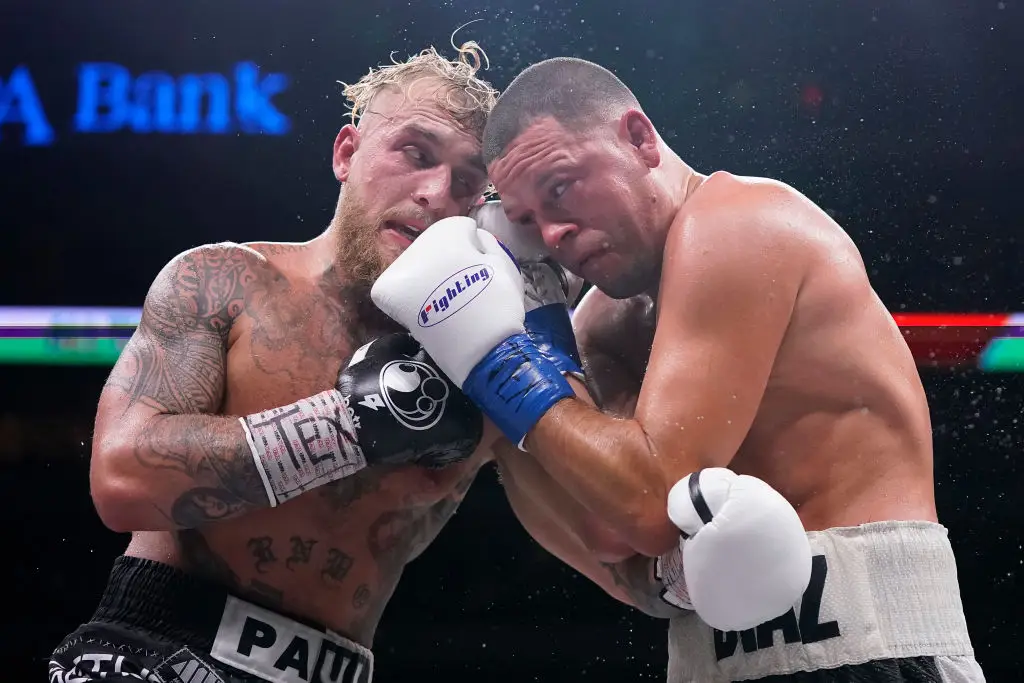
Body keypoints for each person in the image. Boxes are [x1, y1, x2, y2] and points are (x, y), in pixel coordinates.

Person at [370, 57, 985, 682]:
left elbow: (648, 503)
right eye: (526, 220)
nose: (552, 233)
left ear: (637, 139)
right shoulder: (600, 322)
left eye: (559, 188)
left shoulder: (740, 222)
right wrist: (534, 341)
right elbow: (606, 530)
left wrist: (497, 361)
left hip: (875, 652)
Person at [49, 45, 509, 683]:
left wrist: (672, 575)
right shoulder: (224, 280)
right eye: (416, 153)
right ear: (346, 153)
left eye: (468, 180)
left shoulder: (478, 364)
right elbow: (123, 480)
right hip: (157, 653)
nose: (436, 193)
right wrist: (350, 427)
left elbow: (603, 523)